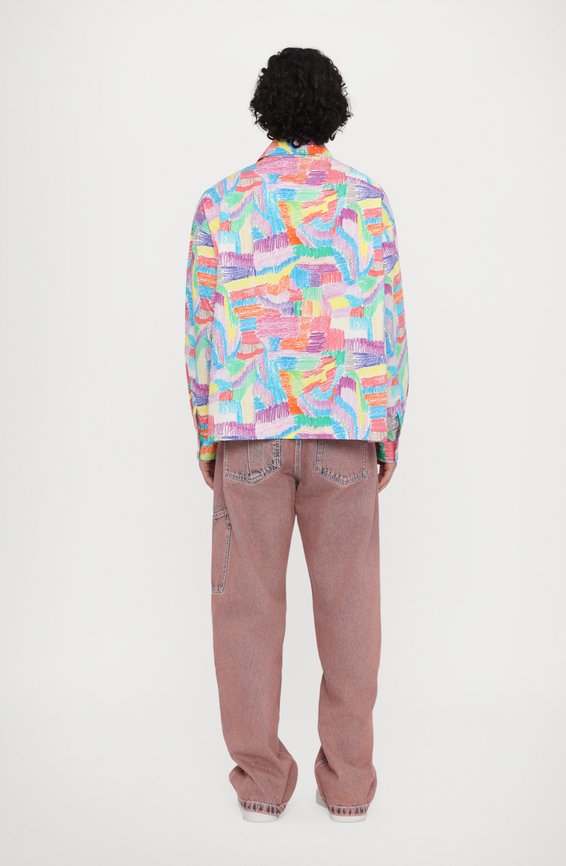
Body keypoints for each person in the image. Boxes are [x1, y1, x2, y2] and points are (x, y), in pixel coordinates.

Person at [184, 46, 409, 823]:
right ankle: (347, 783)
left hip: (249, 429)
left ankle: (260, 782)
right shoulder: (367, 202)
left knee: (246, 609)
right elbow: (390, 325)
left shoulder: (221, 203)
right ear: (333, 112)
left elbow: (201, 327)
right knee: (351, 609)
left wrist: (208, 433)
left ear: (265, 109)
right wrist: (386, 432)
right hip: (346, 430)